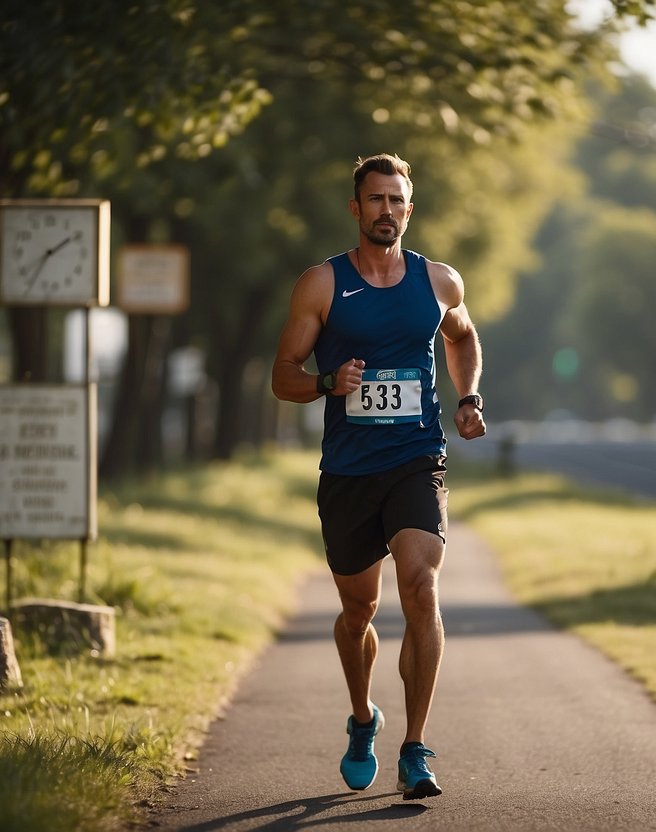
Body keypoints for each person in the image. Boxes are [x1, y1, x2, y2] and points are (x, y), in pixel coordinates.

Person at [271, 152, 486, 800]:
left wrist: (468, 398)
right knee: (357, 610)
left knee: (421, 589)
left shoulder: (438, 281)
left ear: (408, 209)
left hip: (417, 459)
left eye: (397, 200)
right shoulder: (322, 284)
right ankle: (362, 717)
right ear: (355, 208)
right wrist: (326, 383)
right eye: (375, 200)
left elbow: (462, 337)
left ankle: (415, 748)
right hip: (347, 470)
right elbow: (281, 376)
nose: (386, 211)